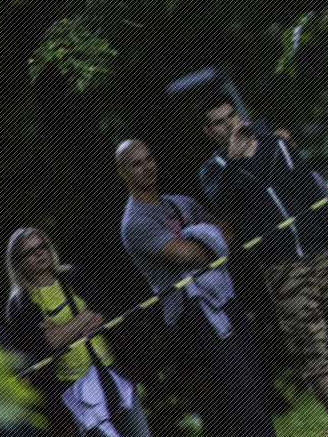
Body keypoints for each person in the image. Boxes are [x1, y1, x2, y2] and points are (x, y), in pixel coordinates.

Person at [195, 98, 328, 420]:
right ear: (209, 131)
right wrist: (234, 159)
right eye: (220, 122)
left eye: (232, 116)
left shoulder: (275, 143)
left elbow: (310, 189)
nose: (230, 124)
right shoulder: (214, 169)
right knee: (310, 344)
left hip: (322, 249)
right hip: (280, 265)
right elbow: (222, 205)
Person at [116, 139, 276, 437]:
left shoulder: (181, 202)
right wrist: (207, 239)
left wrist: (205, 240)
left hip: (224, 297)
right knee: (236, 388)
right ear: (123, 173)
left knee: (254, 376)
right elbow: (185, 254)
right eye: (137, 164)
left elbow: (226, 234)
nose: (148, 167)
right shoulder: (135, 222)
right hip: (193, 315)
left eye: (149, 158)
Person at [5, 228, 151, 437]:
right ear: (18, 263)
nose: (39, 253)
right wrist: (85, 317)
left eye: (42, 247)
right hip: (74, 387)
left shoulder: (73, 276)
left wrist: (63, 330)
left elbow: (103, 315)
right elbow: (48, 344)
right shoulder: (20, 303)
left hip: (114, 369)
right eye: (30, 252)